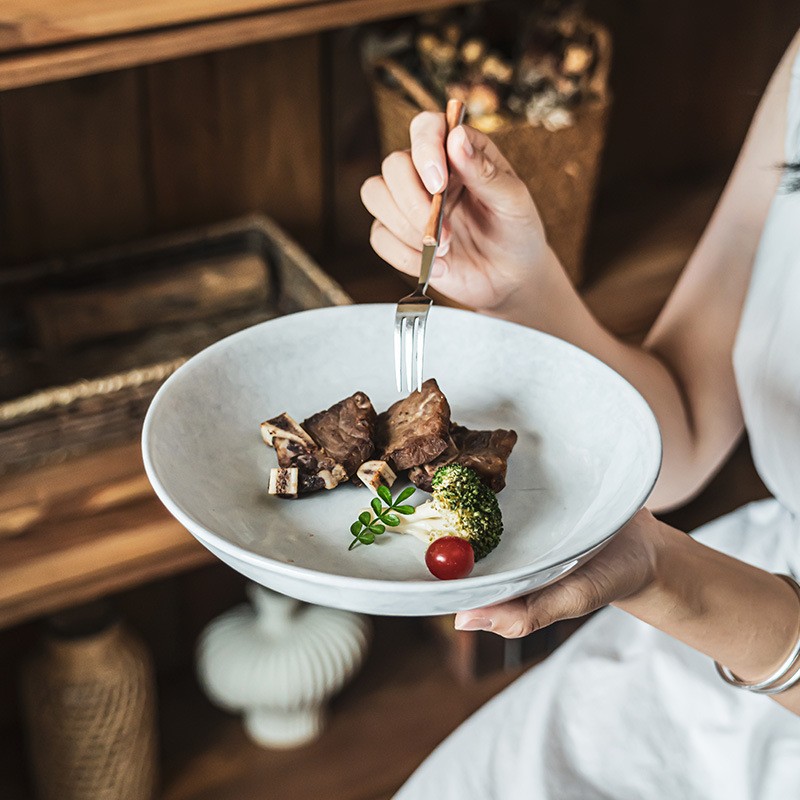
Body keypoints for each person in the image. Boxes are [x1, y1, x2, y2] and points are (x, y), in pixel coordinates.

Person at [360, 26, 800, 800]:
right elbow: (689, 422)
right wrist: (522, 290)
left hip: (744, 624)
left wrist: (667, 577)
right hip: (731, 612)